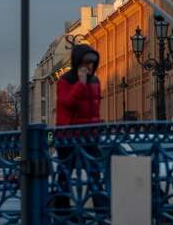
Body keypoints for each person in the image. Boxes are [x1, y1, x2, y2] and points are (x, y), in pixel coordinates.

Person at [54, 44, 106, 217]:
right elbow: (67, 103)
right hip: (68, 137)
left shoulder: (95, 81)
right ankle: (62, 214)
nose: (90, 65)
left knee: (95, 175)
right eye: (86, 62)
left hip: (89, 137)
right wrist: (81, 84)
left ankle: (101, 214)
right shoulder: (65, 80)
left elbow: (94, 109)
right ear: (78, 62)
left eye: (93, 62)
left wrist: (98, 127)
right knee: (65, 177)